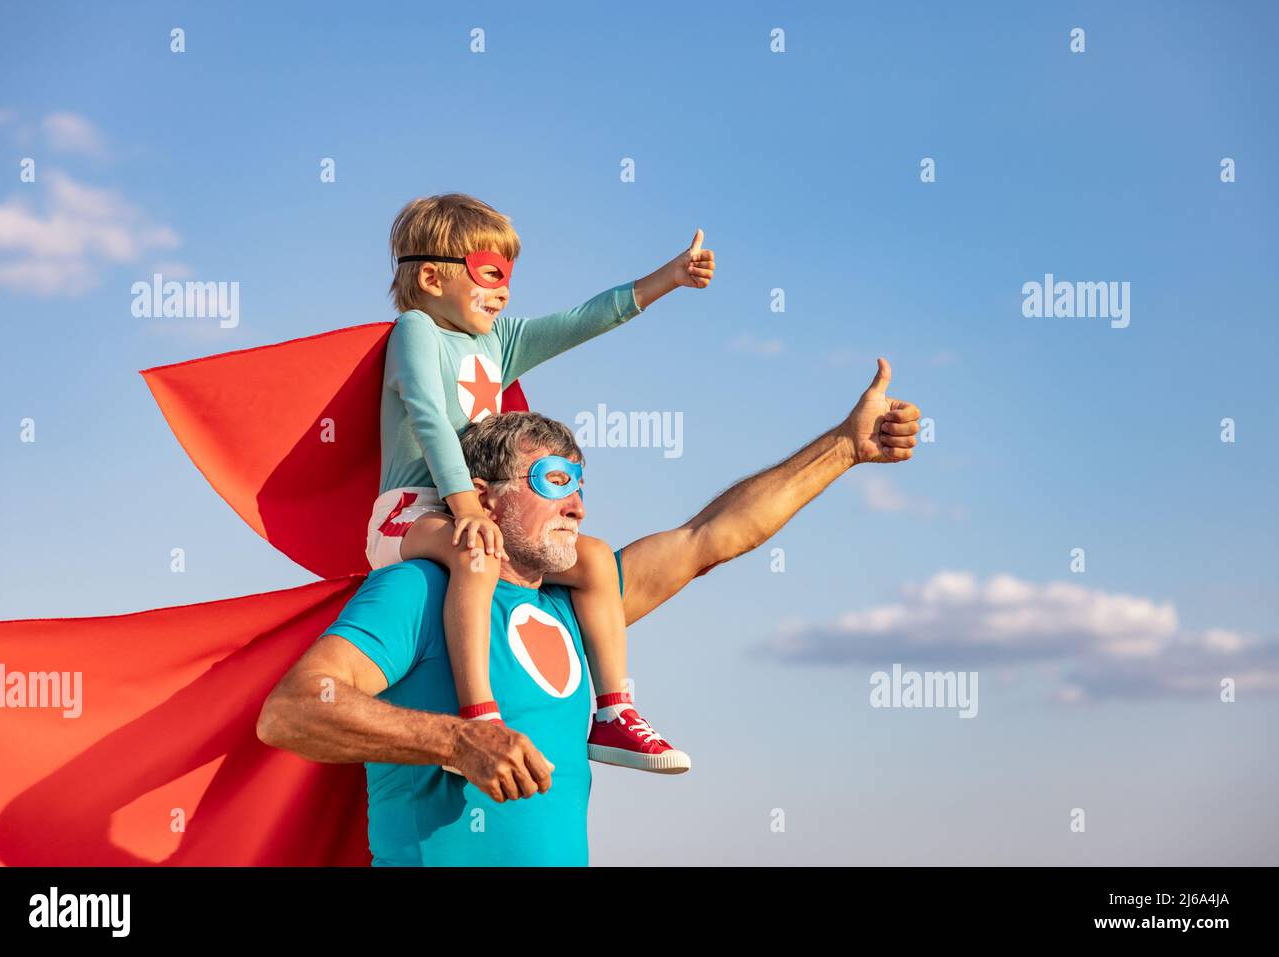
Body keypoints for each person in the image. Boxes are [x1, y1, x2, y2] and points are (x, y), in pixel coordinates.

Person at [256, 358, 922, 866]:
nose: (576, 505)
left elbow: (711, 537)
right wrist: (455, 740)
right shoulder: (418, 592)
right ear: (482, 499)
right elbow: (292, 710)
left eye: (580, 484)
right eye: (552, 483)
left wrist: (844, 448)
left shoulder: (577, 613)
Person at [373, 193, 714, 772]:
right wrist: (464, 506)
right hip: (411, 512)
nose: (504, 290)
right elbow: (427, 413)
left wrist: (668, 278)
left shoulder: (498, 343)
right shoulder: (416, 331)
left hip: (478, 505)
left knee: (596, 559)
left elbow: (581, 321)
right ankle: (478, 715)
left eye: (509, 276)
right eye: (489, 272)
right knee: (476, 556)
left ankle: (613, 714)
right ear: (431, 276)